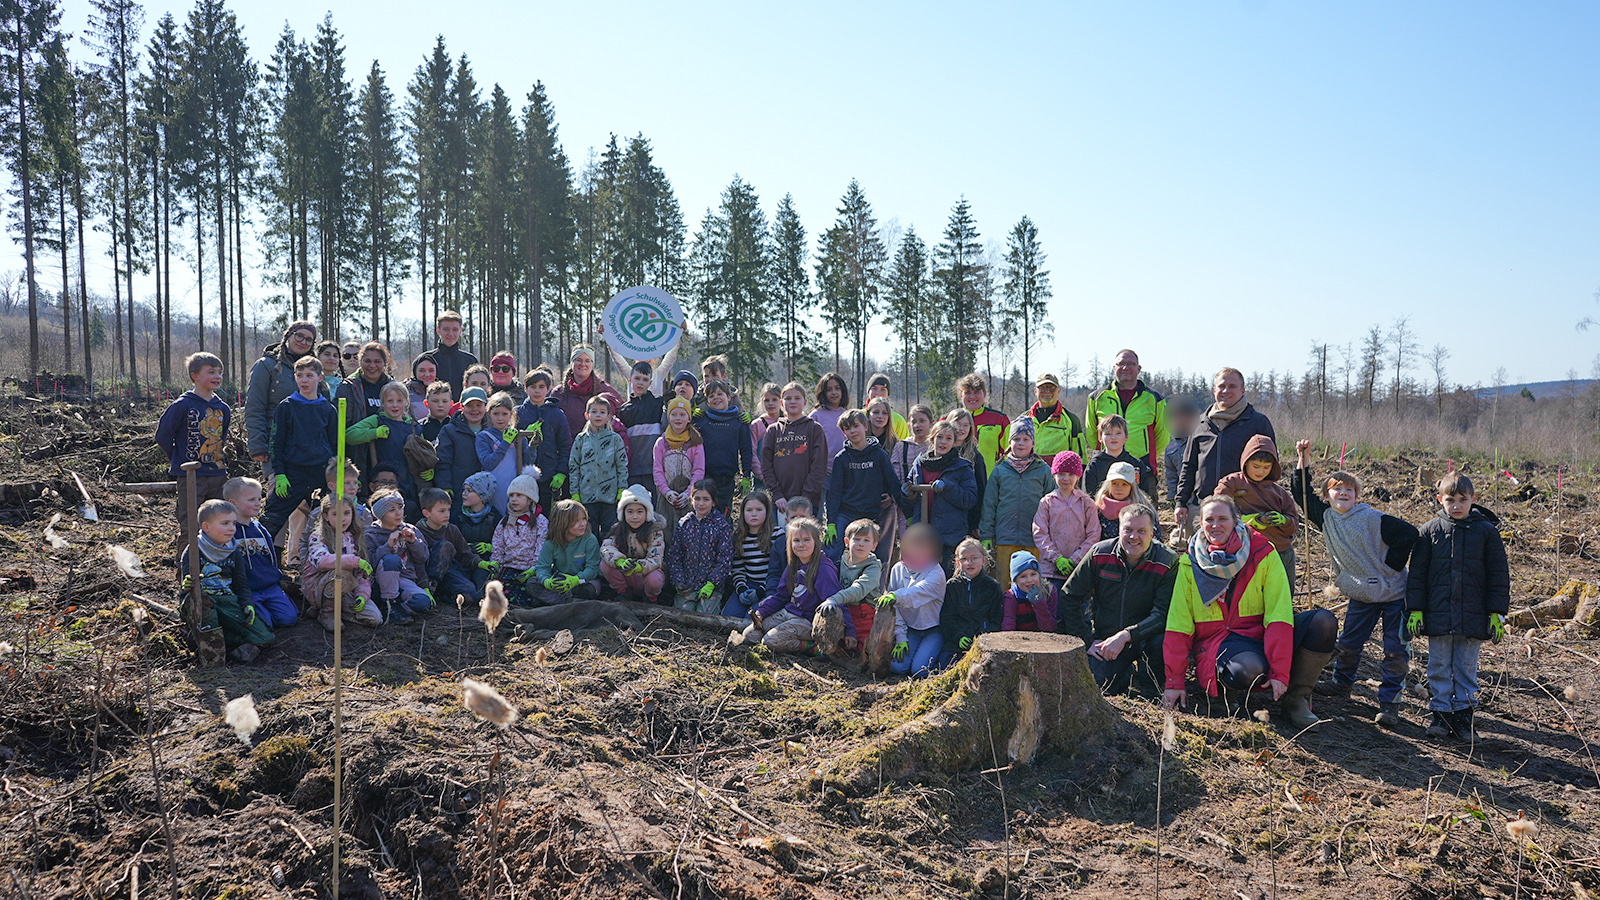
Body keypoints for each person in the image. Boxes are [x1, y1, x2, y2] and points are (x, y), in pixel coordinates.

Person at [1162, 495, 1338, 726]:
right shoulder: (1189, 561)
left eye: (1223, 519)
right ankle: (1224, 694)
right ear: (1201, 523)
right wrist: (1174, 681)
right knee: (1249, 669)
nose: (1215, 525)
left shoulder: (1263, 552)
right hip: (1219, 641)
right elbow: (1179, 623)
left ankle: (1296, 700)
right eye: (1209, 520)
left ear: (1236, 521)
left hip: (1261, 633)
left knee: (1323, 622)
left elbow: (1279, 615)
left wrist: (1279, 671)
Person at [1291, 441, 1417, 728]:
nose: (1344, 492)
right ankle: (1341, 683)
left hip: (1394, 593)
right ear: (1327, 496)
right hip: (1361, 591)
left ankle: (1390, 704)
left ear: (1357, 496)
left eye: (1350, 489)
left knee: (1395, 650)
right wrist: (1303, 458)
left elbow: (1409, 534)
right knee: (1349, 643)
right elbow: (1301, 494)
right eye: (1337, 489)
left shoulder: (1372, 518)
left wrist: (1392, 565)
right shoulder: (1326, 518)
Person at [1406, 473, 1510, 741]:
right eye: (1450, 499)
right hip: (1438, 615)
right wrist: (1415, 609)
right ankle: (1441, 715)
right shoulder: (1429, 531)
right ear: (1439, 499)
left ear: (1474, 499)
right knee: (1439, 666)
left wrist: (1497, 613)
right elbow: (1417, 575)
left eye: (1463, 499)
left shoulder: (1487, 532)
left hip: (1474, 616)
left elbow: (1498, 575)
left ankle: (1464, 718)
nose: (1456, 505)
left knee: (1466, 668)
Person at [1057, 503, 1177, 697]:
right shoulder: (1099, 553)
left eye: (1141, 531)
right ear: (1119, 530)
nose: (1133, 536)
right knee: (1101, 686)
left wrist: (1126, 635)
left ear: (1152, 533)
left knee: (1160, 648)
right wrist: (1086, 640)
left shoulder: (1167, 561)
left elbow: (1163, 614)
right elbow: (1070, 595)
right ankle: (1124, 673)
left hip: (1148, 637)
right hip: (1107, 638)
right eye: (1128, 530)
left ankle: (1150, 688)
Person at [1174, 367, 1276, 543]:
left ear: (1242, 391)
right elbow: (1188, 466)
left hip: (1244, 508)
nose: (1226, 390)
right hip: (1203, 506)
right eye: (1221, 386)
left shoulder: (1258, 423)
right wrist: (1181, 503)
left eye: (1232, 386)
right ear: (1214, 390)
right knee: (1200, 555)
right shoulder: (1200, 423)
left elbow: (1270, 467)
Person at [177, 499, 276, 662]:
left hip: (227, 602)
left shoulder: (234, 551)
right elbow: (186, 587)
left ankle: (218, 641)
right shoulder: (193, 550)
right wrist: (188, 585)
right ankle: (205, 641)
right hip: (202, 602)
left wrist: (247, 604)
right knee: (204, 607)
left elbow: (241, 584)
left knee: (265, 638)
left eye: (234, 523)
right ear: (206, 527)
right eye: (225, 523)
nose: (232, 528)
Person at [156, 352, 232, 550]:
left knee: (218, 523)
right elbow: (163, 436)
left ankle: (215, 565)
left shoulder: (223, 408)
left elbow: (221, 438)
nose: (217, 376)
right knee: (191, 524)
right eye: (211, 372)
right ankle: (186, 566)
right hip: (191, 477)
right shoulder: (182, 405)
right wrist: (178, 459)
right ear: (195, 376)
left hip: (217, 475)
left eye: (220, 372)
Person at [260, 356, 339, 540]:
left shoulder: (328, 409)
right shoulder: (286, 407)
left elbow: (335, 445)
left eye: (309, 375)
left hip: (320, 473)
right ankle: (264, 555)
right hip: (292, 474)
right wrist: (280, 473)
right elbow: (276, 443)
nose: (304, 380)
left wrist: (335, 474)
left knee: (327, 522)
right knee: (271, 520)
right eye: (300, 375)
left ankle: (323, 556)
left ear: (320, 378)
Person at [743, 517, 843, 655]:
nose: (801, 544)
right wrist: (762, 612)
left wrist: (850, 632)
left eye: (806, 540)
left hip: (807, 620)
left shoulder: (824, 568)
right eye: (796, 540)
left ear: (816, 541)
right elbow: (781, 596)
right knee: (749, 635)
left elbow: (838, 600)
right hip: (788, 613)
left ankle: (812, 648)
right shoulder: (794, 564)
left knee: (770, 641)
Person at [825, 408, 907, 563]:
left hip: (872, 514)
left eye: (856, 426)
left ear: (865, 426)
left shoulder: (879, 455)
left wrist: (908, 513)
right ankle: (833, 578)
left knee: (875, 557)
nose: (852, 431)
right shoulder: (841, 458)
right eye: (847, 429)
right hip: (846, 513)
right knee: (832, 551)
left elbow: (894, 484)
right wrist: (831, 523)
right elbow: (834, 492)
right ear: (843, 433)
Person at [979, 417, 1052, 590]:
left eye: (1026, 439)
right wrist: (986, 535)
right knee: (1005, 584)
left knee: (1032, 584)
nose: (1021, 443)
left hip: (1034, 540)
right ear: (1009, 442)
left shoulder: (1043, 470)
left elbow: (1052, 506)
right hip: (1005, 538)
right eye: (1016, 439)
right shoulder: (999, 470)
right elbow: (989, 505)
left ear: (1033, 443)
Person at [1215, 435, 1300, 579]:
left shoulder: (1279, 493)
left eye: (1266, 467)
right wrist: (1245, 520)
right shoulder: (1233, 482)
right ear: (1245, 462)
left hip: (1280, 550)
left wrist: (1283, 520)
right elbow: (1217, 507)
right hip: (1246, 551)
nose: (1261, 472)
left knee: (1282, 591)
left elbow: (1294, 525)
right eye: (1256, 466)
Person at [224, 477, 300, 631]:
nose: (258, 503)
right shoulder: (229, 532)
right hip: (248, 590)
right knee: (264, 624)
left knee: (289, 618)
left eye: (259, 499)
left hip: (270, 586)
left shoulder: (260, 529)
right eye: (251, 500)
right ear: (233, 503)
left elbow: (271, 557)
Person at [244, 321, 318, 480]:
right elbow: (255, 408)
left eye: (308, 339)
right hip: (275, 444)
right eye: (299, 336)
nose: (303, 342)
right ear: (288, 336)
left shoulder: (315, 369)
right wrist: (258, 445)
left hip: (310, 447)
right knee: (278, 489)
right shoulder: (266, 366)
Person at [907, 419, 980, 575]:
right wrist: (907, 493)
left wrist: (949, 488)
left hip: (949, 537)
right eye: (939, 437)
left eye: (948, 438)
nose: (943, 442)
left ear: (954, 442)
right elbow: (908, 500)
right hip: (923, 535)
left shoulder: (962, 467)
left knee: (947, 579)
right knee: (922, 579)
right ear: (932, 438)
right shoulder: (919, 464)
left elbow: (970, 499)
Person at [346, 381, 427, 520]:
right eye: (390, 401)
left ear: (407, 402)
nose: (395, 405)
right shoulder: (377, 420)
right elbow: (349, 435)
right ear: (382, 402)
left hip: (409, 481)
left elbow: (425, 453)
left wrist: (426, 469)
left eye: (399, 401)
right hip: (384, 481)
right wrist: (374, 433)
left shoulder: (415, 427)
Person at [303, 492, 382, 631]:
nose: (343, 518)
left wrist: (362, 595)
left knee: (374, 618)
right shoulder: (318, 537)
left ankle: (341, 611)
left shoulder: (355, 537)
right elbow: (322, 562)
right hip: (319, 587)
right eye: (336, 514)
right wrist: (354, 561)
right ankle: (327, 613)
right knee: (342, 573)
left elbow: (361, 574)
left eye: (346, 513)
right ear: (326, 516)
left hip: (347, 590)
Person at [1085, 350, 1169, 478]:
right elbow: (1091, 433)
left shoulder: (1155, 399)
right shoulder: (1097, 397)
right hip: (1105, 466)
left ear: (1139, 368)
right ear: (1114, 368)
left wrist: (1147, 457)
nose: (1125, 368)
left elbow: (1163, 436)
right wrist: (1108, 453)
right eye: (1121, 364)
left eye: (1130, 364)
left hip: (1142, 466)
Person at [879, 523, 948, 678]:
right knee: (897, 667)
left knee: (919, 670)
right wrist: (901, 637)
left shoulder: (936, 572)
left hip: (934, 629)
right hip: (911, 629)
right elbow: (895, 609)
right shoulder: (897, 569)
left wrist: (896, 596)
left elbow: (916, 593)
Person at [760, 382, 830, 515]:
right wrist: (777, 494)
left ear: (805, 402)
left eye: (797, 398)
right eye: (788, 398)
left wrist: (806, 497)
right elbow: (766, 465)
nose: (793, 401)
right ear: (782, 402)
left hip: (808, 501)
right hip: (780, 502)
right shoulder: (773, 430)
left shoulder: (815, 429)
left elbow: (819, 466)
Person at [1033, 451, 1098, 593]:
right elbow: (1040, 533)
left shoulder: (1086, 502)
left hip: (1079, 569)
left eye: (1071, 474)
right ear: (1054, 475)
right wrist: (1056, 558)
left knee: (1077, 604)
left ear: (1078, 476)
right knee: (1052, 604)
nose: (1066, 479)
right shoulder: (1047, 502)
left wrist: (1076, 558)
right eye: (1061, 474)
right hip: (1051, 571)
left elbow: (1094, 534)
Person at [817, 518, 884, 656]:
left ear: (874, 546)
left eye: (866, 540)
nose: (861, 544)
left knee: (865, 650)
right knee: (835, 644)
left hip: (865, 613)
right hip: (845, 610)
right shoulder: (842, 561)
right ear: (847, 542)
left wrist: (834, 599)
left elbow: (858, 590)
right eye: (857, 539)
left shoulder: (873, 568)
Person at [365, 490, 433, 625]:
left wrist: (414, 542)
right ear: (380, 514)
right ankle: (389, 603)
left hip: (405, 579)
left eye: (400, 507)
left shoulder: (411, 530)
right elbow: (370, 563)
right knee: (392, 560)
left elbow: (423, 557)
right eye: (392, 510)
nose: (398, 513)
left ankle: (393, 610)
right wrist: (388, 545)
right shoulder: (371, 534)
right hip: (381, 582)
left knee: (423, 603)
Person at [666, 480, 734, 613]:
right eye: (697, 499)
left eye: (706, 499)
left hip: (711, 586)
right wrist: (679, 581)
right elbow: (674, 555)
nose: (701, 503)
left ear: (713, 502)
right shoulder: (684, 524)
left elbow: (725, 559)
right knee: (682, 614)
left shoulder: (721, 526)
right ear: (691, 499)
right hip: (688, 584)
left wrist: (712, 583)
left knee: (705, 614)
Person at [416, 487, 489, 608]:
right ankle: (431, 588)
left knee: (471, 595)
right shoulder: (418, 531)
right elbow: (417, 562)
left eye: (448, 510)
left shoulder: (452, 529)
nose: (447, 515)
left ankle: (440, 595)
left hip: (449, 573)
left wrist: (482, 563)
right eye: (442, 511)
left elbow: (465, 555)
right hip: (427, 574)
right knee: (445, 546)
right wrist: (424, 585)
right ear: (427, 513)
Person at [516, 368, 575, 513]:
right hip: (523, 475)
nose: (537, 391)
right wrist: (523, 434)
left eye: (541, 387)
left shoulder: (557, 414)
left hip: (549, 475)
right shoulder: (518, 413)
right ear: (526, 389)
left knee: (547, 515)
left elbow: (566, 446)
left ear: (548, 389)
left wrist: (561, 472)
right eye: (533, 387)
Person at [937, 539, 1003, 668]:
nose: (969, 562)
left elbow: (996, 620)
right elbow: (946, 618)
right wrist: (958, 637)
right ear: (958, 562)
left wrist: (981, 639)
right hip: (956, 643)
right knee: (946, 667)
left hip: (984, 643)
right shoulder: (952, 586)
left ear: (984, 560)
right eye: (964, 559)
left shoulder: (993, 587)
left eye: (974, 558)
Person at [570, 395, 629, 535]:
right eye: (594, 411)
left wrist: (622, 489)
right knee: (589, 533)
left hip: (610, 497)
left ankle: (608, 550)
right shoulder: (581, 439)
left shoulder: (615, 439)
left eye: (602, 412)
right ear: (587, 415)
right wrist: (575, 492)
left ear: (608, 417)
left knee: (610, 532)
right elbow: (574, 466)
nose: (598, 415)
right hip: (586, 496)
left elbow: (622, 465)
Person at [492, 466, 549, 608]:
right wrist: (496, 566)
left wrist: (534, 569)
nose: (514, 499)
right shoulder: (505, 521)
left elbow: (541, 548)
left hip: (530, 570)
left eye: (519, 495)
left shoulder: (540, 522)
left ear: (530, 498)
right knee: (502, 596)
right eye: (511, 495)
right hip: (508, 568)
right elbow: (498, 546)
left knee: (527, 596)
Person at [601, 485, 668, 603]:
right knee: (605, 565)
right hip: (626, 576)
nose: (635, 516)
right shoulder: (618, 529)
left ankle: (651, 598)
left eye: (640, 511)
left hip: (645, 576)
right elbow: (606, 547)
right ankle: (623, 592)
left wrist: (639, 566)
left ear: (647, 513)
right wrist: (620, 561)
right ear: (623, 513)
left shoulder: (655, 531)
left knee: (654, 579)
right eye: (630, 512)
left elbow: (656, 558)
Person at [694, 380, 754, 513]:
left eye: (719, 394)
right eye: (711, 396)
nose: (716, 398)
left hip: (727, 479)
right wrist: (692, 417)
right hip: (704, 477)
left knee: (724, 515)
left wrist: (747, 475)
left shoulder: (739, 421)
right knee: (705, 514)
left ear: (729, 397)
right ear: (707, 401)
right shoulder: (701, 420)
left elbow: (746, 450)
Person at [530, 500, 602, 603]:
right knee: (532, 583)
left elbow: (593, 569)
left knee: (591, 589)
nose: (583, 524)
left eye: (584, 519)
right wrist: (547, 581)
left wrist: (575, 580)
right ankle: (569, 602)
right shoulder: (551, 543)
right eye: (577, 521)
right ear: (563, 523)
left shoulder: (590, 540)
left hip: (581, 581)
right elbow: (542, 567)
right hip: (560, 580)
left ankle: (556, 601)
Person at [435, 386, 489, 524]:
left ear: (486, 406)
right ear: (461, 407)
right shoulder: (449, 431)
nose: (474, 409)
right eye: (469, 405)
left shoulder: (492, 430)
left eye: (479, 405)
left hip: (487, 493)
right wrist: (445, 487)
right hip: (460, 492)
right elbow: (442, 461)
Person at [724, 490, 782, 618]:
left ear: (767, 511)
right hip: (748, 584)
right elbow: (737, 568)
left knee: (751, 618)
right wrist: (741, 589)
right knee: (729, 616)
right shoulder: (739, 537)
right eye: (749, 510)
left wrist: (761, 591)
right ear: (743, 513)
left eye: (759, 510)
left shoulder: (777, 535)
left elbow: (779, 571)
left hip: (770, 586)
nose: (754, 514)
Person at [653, 396, 706, 529]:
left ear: (689, 418)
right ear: (668, 417)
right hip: (665, 498)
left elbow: (699, 471)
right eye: (674, 414)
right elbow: (658, 471)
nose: (678, 418)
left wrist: (688, 494)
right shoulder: (661, 443)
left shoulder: (696, 442)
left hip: (688, 499)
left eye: (682, 415)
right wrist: (667, 492)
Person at [477, 393, 533, 515]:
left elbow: (527, 462)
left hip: (514, 488)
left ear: (511, 414)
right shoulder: (484, 437)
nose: (500, 418)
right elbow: (488, 463)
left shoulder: (518, 437)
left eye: (504, 414)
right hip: (492, 488)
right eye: (496, 414)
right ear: (489, 414)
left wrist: (533, 446)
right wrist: (505, 443)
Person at [551, 345, 624, 439]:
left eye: (587, 361)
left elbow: (621, 420)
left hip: (600, 446)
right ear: (572, 362)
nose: (583, 364)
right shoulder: (559, 393)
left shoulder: (605, 390)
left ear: (592, 364)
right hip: (567, 446)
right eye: (578, 360)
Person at [1083, 414, 1158, 499]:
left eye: (1118, 433)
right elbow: (1088, 497)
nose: (1113, 437)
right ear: (1100, 438)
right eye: (1108, 434)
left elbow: (1143, 495)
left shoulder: (1136, 464)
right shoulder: (1094, 465)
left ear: (1126, 436)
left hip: (1132, 507)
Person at [621, 362, 667, 490]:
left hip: (655, 468)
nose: (640, 383)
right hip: (632, 469)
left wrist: (669, 404)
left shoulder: (659, 404)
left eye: (645, 380)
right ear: (630, 380)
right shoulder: (624, 410)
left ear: (650, 383)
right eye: (637, 378)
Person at [947, 408, 990, 536]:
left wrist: (976, 522)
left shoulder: (976, 457)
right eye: (957, 424)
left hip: (967, 519)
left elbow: (981, 490)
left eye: (966, 425)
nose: (961, 429)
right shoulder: (940, 452)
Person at [415, 310, 478, 398]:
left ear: (460, 331)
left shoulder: (470, 361)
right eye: (446, 329)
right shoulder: (424, 360)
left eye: (455, 330)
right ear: (438, 330)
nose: (451, 334)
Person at [957, 373, 1010, 474]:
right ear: (961, 395)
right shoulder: (948, 419)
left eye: (977, 392)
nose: (972, 396)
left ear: (984, 394)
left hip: (990, 480)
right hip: (957, 481)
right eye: (967, 392)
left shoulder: (1000, 419)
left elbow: (1010, 454)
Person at [1028, 373, 1087, 463]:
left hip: (1060, 472)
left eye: (1051, 388)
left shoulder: (1072, 420)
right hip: (1029, 471)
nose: (1047, 391)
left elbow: (1080, 458)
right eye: (1043, 387)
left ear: (1059, 390)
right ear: (1035, 391)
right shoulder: (1023, 420)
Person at [335, 341, 396, 420]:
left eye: (377, 361)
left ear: (384, 364)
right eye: (367, 361)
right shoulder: (348, 387)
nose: (372, 366)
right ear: (360, 362)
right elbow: (342, 420)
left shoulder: (394, 387)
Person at [1094, 462, 1154, 541]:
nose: (1119, 488)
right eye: (1115, 483)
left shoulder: (1144, 508)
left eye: (1124, 484)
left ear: (1132, 487)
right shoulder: (1097, 508)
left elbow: (1155, 538)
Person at [457, 471, 502, 579]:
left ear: (482, 496)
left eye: (469, 490)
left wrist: (489, 547)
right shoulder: (457, 516)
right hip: (462, 562)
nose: (464, 493)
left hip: (485, 564)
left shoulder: (495, 517)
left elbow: (503, 544)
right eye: (464, 489)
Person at [1000, 550, 1055, 633]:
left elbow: (1049, 629)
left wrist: (1039, 603)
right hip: (1018, 639)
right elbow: (1008, 630)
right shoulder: (1011, 597)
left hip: (1044, 638)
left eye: (1033, 574)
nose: (1029, 580)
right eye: (1023, 576)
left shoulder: (1050, 591)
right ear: (1015, 581)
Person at [1163, 397, 1200, 506]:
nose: (1181, 422)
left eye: (1185, 418)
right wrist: (1173, 498)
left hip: (1202, 495)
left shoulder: (1202, 441)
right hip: (1183, 499)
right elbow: (1171, 477)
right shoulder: (1170, 448)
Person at [811, 373, 850, 468]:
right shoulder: (816, 416)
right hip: (824, 470)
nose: (834, 392)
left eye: (837, 388)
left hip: (845, 468)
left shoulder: (847, 414)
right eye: (829, 390)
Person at [891, 404, 935, 484]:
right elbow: (895, 475)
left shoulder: (935, 446)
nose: (917, 425)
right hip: (907, 490)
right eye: (914, 422)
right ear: (909, 424)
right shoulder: (901, 447)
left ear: (931, 423)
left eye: (922, 421)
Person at [749, 382, 782, 486]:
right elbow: (752, 453)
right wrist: (762, 476)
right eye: (767, 400)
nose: (770, 403)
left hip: (784, 479)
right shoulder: (757, 425)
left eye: (774, 400)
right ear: (762, 402)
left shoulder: (788, 422)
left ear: (781, 401)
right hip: (762, 481)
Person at [864, 373, 911, 440]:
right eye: (874, 388)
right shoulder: (858, 416)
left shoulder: (899, 420)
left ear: (888, 394)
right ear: (868, 392)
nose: (878, 393)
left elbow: (903, 444)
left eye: (883, 389)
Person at [408, 355, 439, 421]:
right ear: (415, 373)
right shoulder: (406, 394)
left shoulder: (443, 392)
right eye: (422, 370)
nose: (427, 374)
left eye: (431, 370)